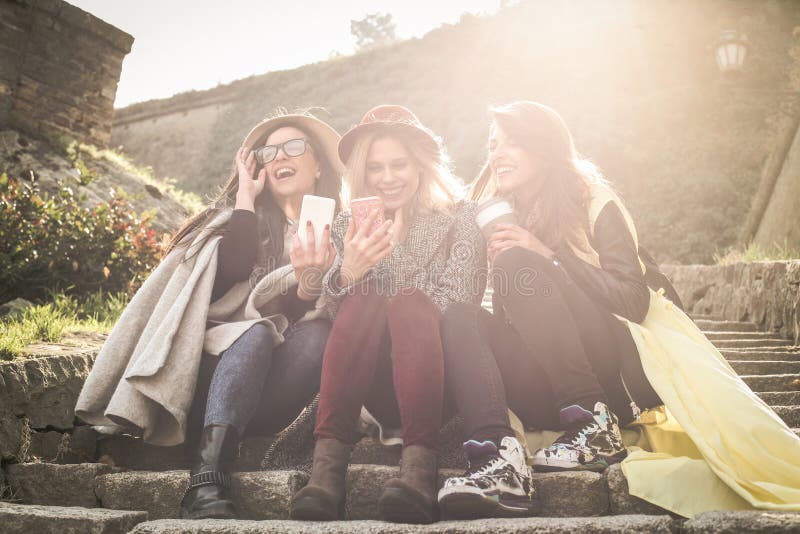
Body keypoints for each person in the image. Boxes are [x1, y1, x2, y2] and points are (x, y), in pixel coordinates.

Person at [436, 101, 800, 520]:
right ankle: (497, 460)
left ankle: (593, 425)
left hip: (611, 376)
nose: (497, 153)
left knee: (521, 264)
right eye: (492, 144)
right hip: (545, 385)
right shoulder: (501, 217)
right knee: (460, 315)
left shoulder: (592, 201)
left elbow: (634, 300)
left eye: (512, 142)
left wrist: (548, 257)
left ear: (545, 147)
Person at [75, 111, 345, 520]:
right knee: (253, 332)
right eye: (267, 152)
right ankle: (206, 477)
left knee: (317, 335)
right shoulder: (231, 223)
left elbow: (305, 315)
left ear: (319, 163)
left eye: (293, 147)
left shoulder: (340, 232)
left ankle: (230, 440)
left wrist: (309, 282)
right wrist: (246, 199)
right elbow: (229, 275)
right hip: (201, 381)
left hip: (266, 393)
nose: (278, 157)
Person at [289, 105, 486, 524]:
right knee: (362, 298)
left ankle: (419, 471)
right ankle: (327, 474)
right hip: (372, 389)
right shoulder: (345, 226)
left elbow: (460, 303)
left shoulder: (461, 218)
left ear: (420, 166)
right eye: (375, 167)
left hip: (440, 384)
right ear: (362, 172)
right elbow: (333, 319)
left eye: (399, 164)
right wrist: (348, 272)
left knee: (412, 303)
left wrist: (395, 259)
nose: (387, 177)